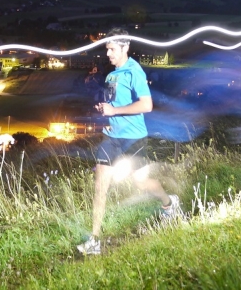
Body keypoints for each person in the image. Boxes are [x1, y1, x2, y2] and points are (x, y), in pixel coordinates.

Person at [77, 28, 180, 255]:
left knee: (141, 184)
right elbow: (114, 105)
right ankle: (95, 240)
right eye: (107, 49)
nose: (108, 54)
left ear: (125, 47)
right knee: (99, 187)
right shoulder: (111, 75)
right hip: (111, 137)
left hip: (133, 139)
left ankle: (168, 203)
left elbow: (146, 105)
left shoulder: (135, 72)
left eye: (112, 49)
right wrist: (105, 109)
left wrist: (114, 110)